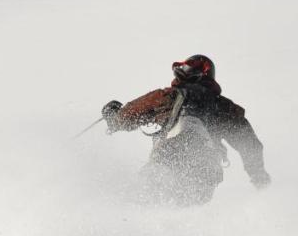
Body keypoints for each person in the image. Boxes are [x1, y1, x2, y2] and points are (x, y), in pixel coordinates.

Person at [101, 55, 270, 205]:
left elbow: (128, 116)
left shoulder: (169, 95)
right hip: (206, 172)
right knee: (185, 219)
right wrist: (259, 176)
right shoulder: (225, 107)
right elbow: (250, 145)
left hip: (169, 155)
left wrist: (113, 115)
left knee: (140, 201)